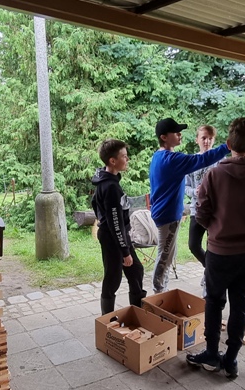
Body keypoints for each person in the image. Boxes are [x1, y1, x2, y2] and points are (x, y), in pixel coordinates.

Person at [185, 117, 245, 378]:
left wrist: (217, 228)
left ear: (228, 144)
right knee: (241, 304)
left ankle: (211, 353)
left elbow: (201, 213)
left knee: (214, 302)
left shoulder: (214, 174)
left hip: (219, 251)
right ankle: (232, 359)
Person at [149, 118, 229, 293]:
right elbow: (203, 159)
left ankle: (161, 291)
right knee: (164, 257)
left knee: (168, 255)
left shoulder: (159, 156)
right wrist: (228, 146)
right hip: (168, 215)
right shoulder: (171, 159)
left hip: (164, 214)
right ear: (164, 137)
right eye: (175, 132)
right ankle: (158, 294)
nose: (179, 134)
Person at [92, 139, 145, 314]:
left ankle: (137, 313)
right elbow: (116, 222)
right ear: (112, 161)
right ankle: (106, 319)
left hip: (118, 235)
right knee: (113, 278)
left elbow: (95, 203)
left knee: (136, 271)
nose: (127, 159)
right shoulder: (110, 187)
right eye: (124, 156)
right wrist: (125, 251)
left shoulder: (106, 180)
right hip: (112, 238)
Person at [184, 124, 218, 268]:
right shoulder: (191, 161)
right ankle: (210, 269)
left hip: (215, 211)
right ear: (197, 140)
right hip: (196, 209)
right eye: (204, 138)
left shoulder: (220, 161)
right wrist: (195, 192)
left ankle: (211, 275)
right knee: (193, 245)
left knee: (213, 246)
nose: (207, 141)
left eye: (210, 138)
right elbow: (185, 186)